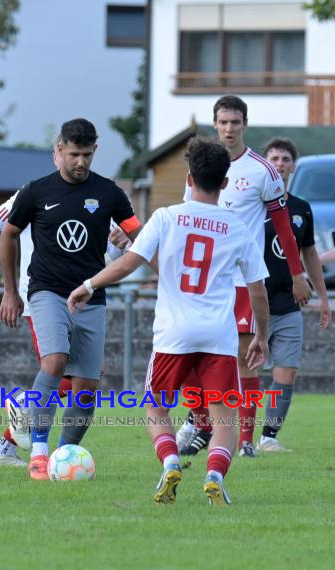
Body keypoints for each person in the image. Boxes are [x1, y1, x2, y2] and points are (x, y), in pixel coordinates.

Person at [68, 137, 270, 505]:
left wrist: (88, 284)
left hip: (173, 334)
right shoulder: (238, 227)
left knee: (156, 406)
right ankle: (213, 474)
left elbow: (129, 262)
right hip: (219, 336)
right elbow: (257, 290)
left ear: (189, 178)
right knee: (225, 416)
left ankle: (171, 461)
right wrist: (262, 336)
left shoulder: (166, 217)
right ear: (224, 183)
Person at [0, 137, 129, 468]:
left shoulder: (101, 197)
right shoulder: (31, 194)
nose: (79, 162)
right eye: (72, 155)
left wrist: (121, 245)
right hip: (41, 295)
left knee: (76, 379)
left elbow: (108, 256)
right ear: (57, 154)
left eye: (86, 155)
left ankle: (7, 443)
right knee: (57, 370)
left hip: (84, 296)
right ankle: (25, 424)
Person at [179, 95, 311, 458]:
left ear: (245, 124)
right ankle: (201, 421)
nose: (228, 128)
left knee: (242, 358)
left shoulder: (262, 171)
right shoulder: (201, 167)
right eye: (222, 122)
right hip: (204, 280)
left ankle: (248, 440)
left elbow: (283, 227)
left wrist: (298, 274)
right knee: (189, 351)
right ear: (215, 123)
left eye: (235, 122)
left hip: (241, 282)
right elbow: (186, 220)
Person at [257, 137, 331, 451]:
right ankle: (213, 428)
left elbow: (310, 254)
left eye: (285, 159)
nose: (279, 164)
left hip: (289, 305)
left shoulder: (301, 209)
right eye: (274, 158)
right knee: (237, 373)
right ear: (264, 164)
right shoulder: (251, 204)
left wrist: (323, 297)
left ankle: (268, 438)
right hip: (252, 304)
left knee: (287, 371)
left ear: (293, 166)